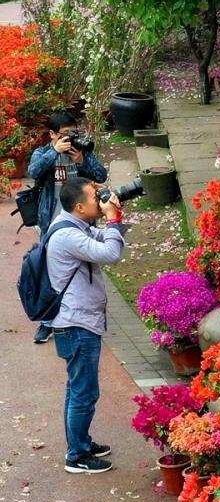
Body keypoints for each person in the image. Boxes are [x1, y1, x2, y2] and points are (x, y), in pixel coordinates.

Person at [46, 176, 126, 475]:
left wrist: (114, 220)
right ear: (79, 207)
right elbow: (111, 253)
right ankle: (76, 456)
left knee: (77, 389)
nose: (101, 198)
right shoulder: (67, 235)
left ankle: (80, 443)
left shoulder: (72, 224)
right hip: (76, 324)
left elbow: (104, 238)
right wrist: (113, 220)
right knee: (84, 392)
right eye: (96, 197)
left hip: (78, 321)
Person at [28, 111, 108, 344]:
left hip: (82, 224)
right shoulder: (43, 152)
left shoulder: (81, 151)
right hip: (51, 225)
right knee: (50, 275)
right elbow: (33, 172)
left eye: (74, 133)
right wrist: (54, 152)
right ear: (52, 134)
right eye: (64, 135)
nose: (70, 139)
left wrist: (81, 161)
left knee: (84, 273)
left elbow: (100, 174)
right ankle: (46, 323)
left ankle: (85, 320)